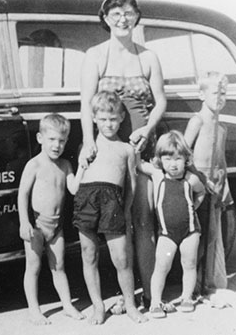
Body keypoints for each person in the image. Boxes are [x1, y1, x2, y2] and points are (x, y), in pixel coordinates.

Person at [79, 0, 167, 309]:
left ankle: (148, 294)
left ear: (136, 17)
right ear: (105, 18)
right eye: (115, 13)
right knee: (116, 223)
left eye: (128, 13)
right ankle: (122, 296)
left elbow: (161, 101)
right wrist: (89, 142)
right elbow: (86, 104)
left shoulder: (148, 57)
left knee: (143, 220)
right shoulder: (96, 55)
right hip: (108, 152)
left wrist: (146, 128)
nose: (122, 19)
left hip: (143, 148)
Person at [73, 91, 148, 325]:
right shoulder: (87, 146)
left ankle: (131, 304)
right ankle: (98, 306)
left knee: (121, 258)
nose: (109, 124)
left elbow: (132, 186)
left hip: (113, 199)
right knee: (89, 254)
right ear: (94, 118)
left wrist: (125, 211)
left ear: (122, 118)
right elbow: (78, 176)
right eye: (103, 119)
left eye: (113, 119)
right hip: (86, 197)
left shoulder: (126, 149)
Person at [17, 113, 86, 325]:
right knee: (33, 267)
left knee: (59, 267)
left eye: (62, 141)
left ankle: (67, 305)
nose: (57, 145)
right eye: (52, 140)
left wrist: (82, 166)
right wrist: (24, 222)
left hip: (56, 227)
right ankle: (34, 309)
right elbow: (23, 194)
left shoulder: (65, 165)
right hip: (37, 225)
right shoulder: (34, 164)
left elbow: (73, 188)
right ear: (40, 138)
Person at [137, 130, 206, 318]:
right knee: (161, 266)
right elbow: (138, 163)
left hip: (190, 231)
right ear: (159, 159)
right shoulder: (158, 175)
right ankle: (156, 301)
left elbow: (201, 192)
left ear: (186, 159)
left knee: (189, 263)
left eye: (178, 159)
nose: (173, 164)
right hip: (166, 233)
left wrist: (194, 205)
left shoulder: (191, 179)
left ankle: (186, 297)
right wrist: (137, 143)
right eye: (167, 159)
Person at [184, 71, 233, 295]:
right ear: (201, 95)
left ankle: (208, 282)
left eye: (223, 93)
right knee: (196, 237)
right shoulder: (198, 121)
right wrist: (198, 181)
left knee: (213, 236)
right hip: (198, 185)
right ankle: (193, 285)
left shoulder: (222, 128)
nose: (219, 97)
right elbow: (183, 154)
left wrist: (225, 187)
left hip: (216, 186)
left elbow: (221, 159)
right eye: (215, 92)